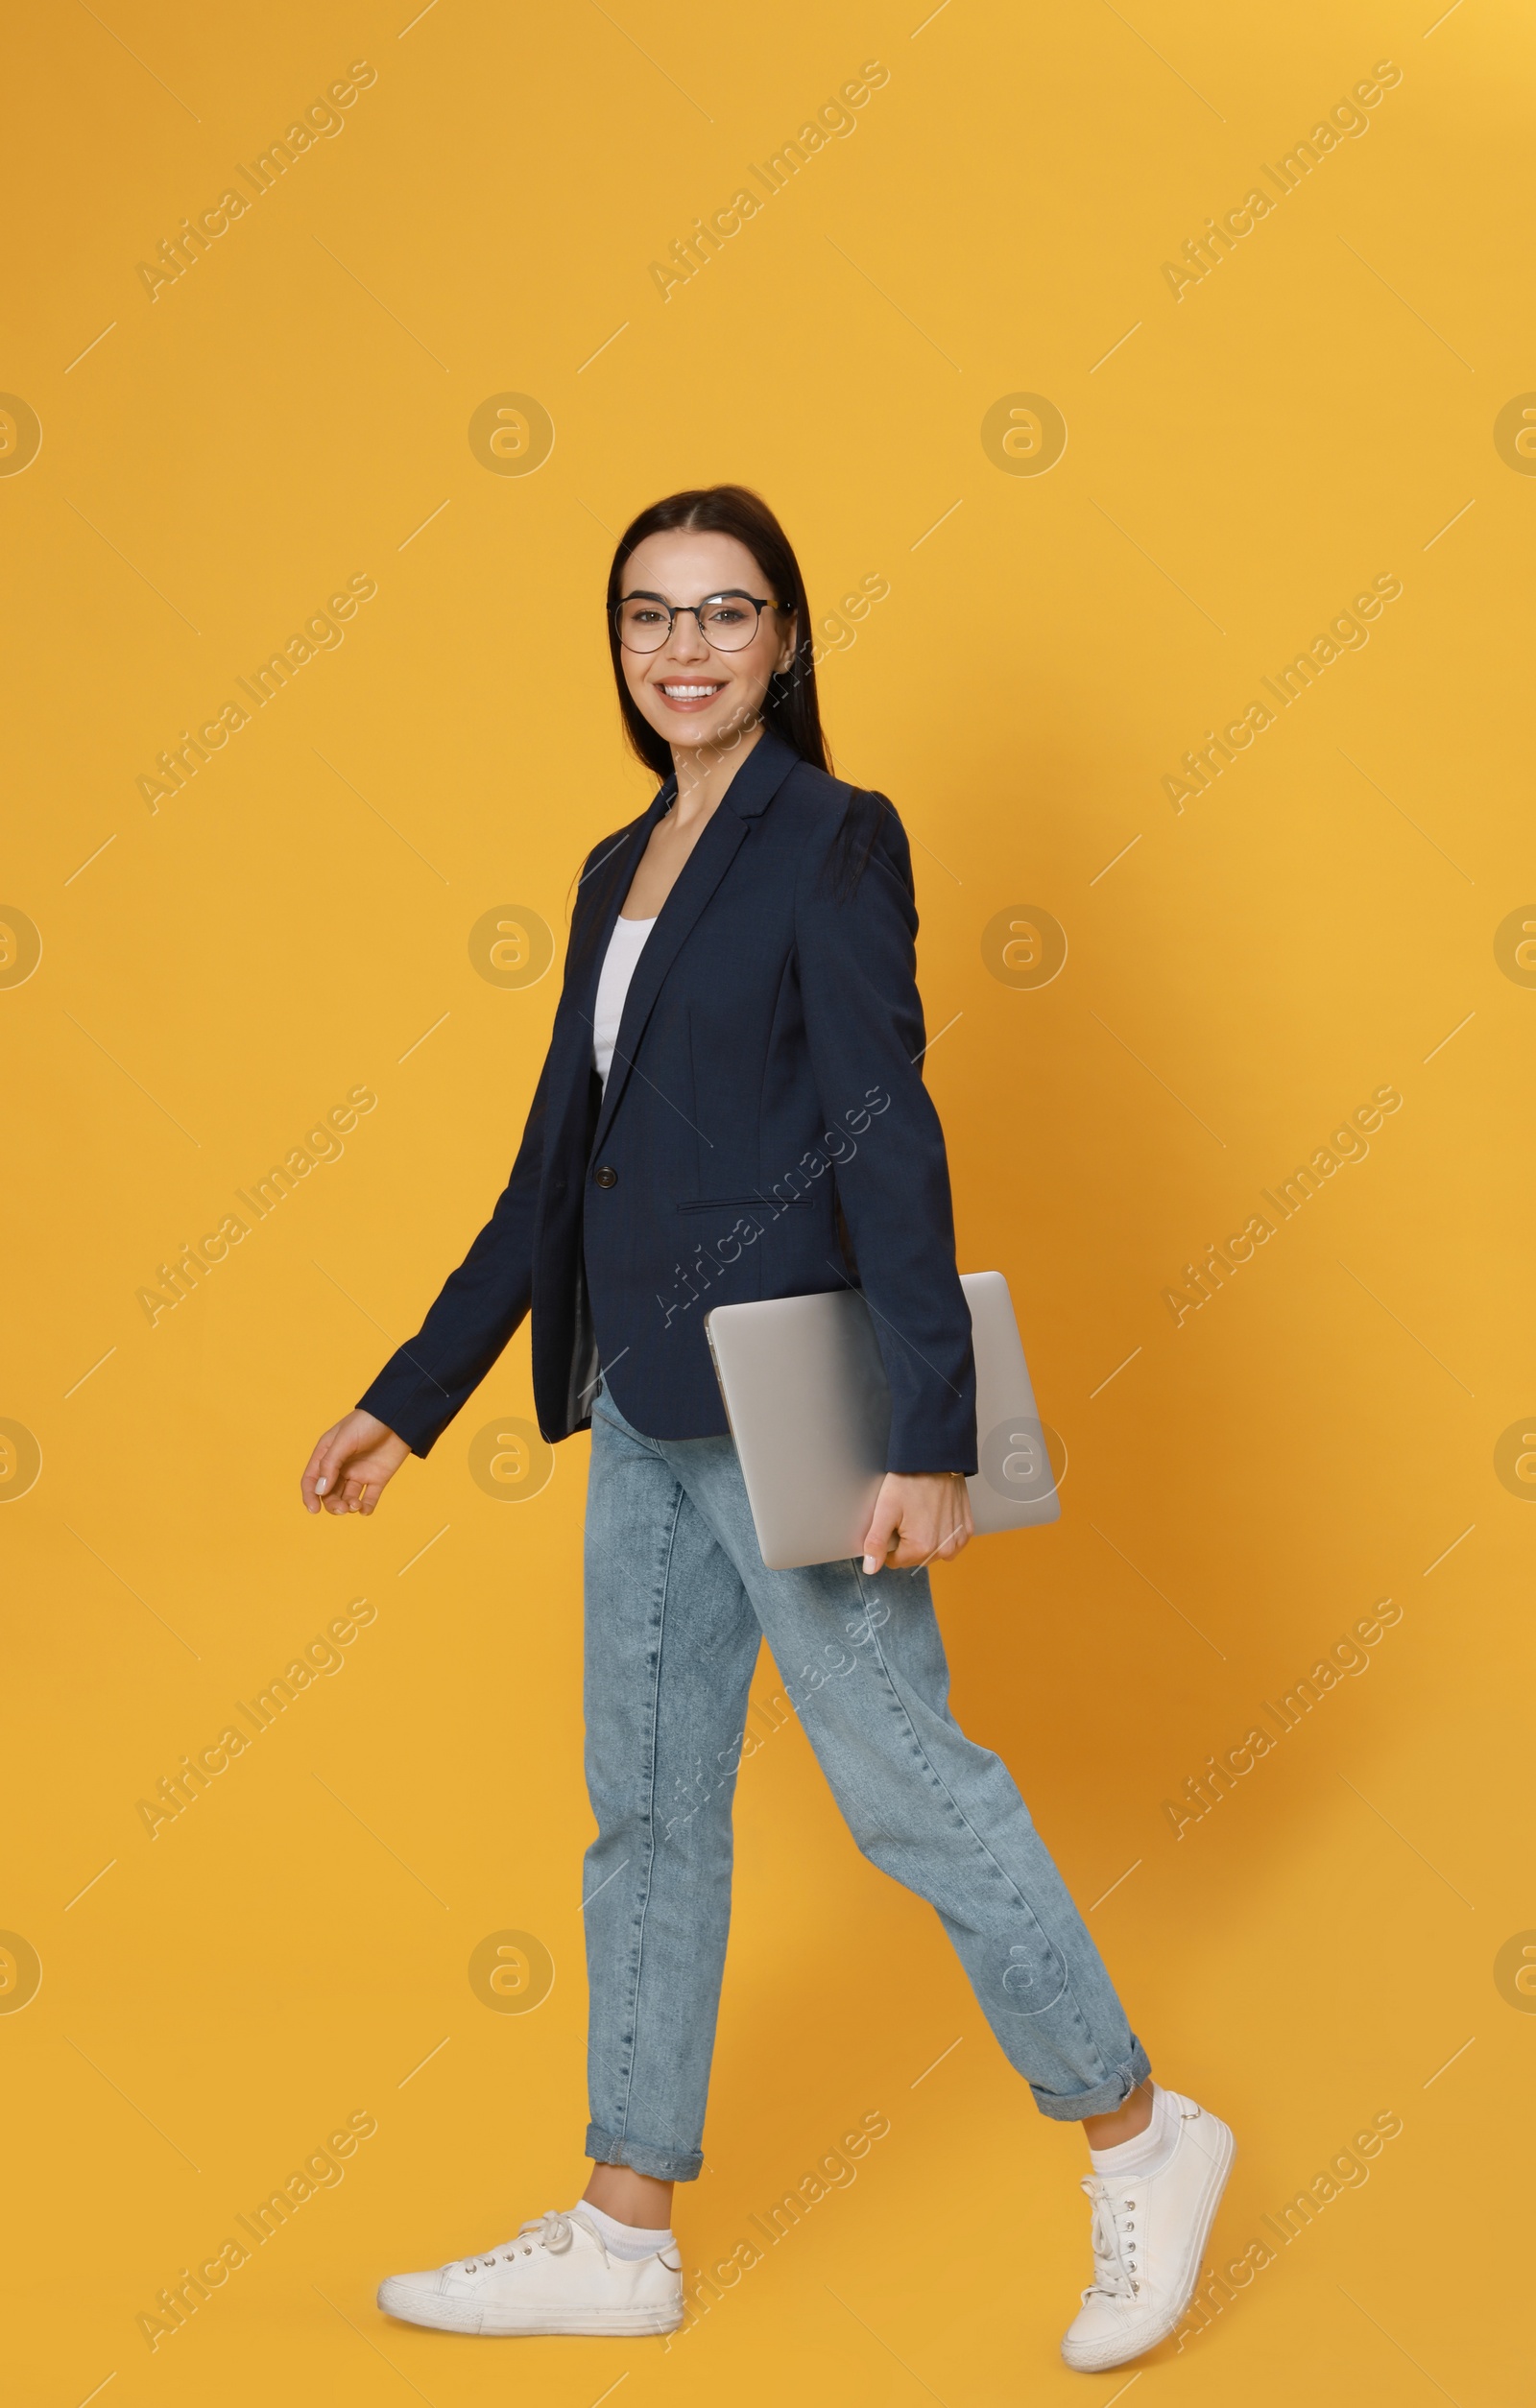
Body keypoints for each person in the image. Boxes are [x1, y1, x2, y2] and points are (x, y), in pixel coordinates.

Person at [299, 484, 1233, 2370]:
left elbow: (885, 1127)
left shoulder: (830, 840)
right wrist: (413, 1392)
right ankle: (622, 2225)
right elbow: (555, 1165)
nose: (686, 648)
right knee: (644, 1817)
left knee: (906, 1787)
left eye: (726, 613)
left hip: (797, 1404)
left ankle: (1138, 2134)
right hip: (636, 1402)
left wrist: (929, 1430)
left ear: (785, 639)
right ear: (620, 647)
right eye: (651, 615)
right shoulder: (609, 867)